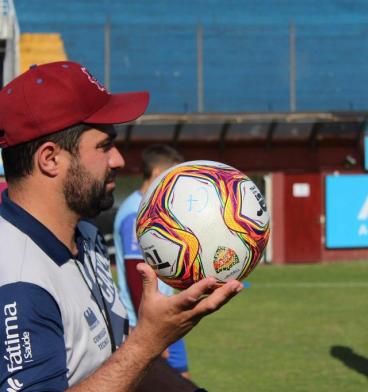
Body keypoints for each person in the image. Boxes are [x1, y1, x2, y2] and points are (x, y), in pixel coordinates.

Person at [0, 61, 243, 391]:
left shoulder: (85, 236)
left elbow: (116, 358)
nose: (119, 160)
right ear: (50, 159)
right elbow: (132, 355)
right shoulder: (17, 282)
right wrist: (147, 343)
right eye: (104, 146)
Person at [114, 144, 190, 378]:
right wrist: (150, 330)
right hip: (147, 321)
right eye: (173, 174)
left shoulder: (154, 208)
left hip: (162, 314)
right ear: (157, 173)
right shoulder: (136, 213)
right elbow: (136, 272)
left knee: (181, 381)